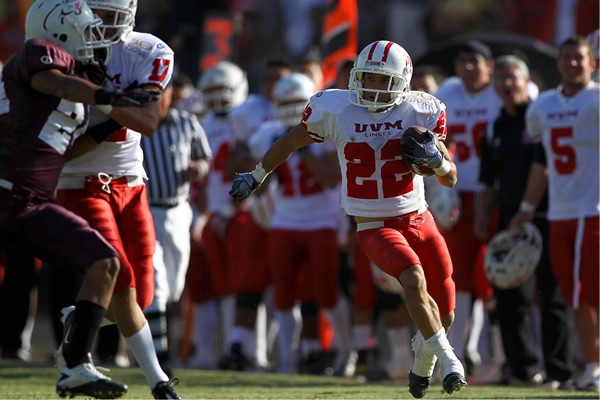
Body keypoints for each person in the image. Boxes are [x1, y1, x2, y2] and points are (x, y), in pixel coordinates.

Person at [229, 40, 467, 398]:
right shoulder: (337, 109)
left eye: (380, 80)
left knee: (445, 306)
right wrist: (255, 176)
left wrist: (437, 162)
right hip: (374, 224)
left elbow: (450, 177)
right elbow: (292, 141)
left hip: (418, 216)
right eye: (366, 78)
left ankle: (422, 364)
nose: (371, 87)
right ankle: (450, 363)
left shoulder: (421, 110)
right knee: (413, 277)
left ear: (402, 81)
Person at [0, 0, 157, 397]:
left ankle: (75, 366)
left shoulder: (73, 71)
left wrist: (113, 115)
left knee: (105, 264)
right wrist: (110, 97)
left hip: (29, 201)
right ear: (59, 30)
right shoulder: (41, 54)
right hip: (9, 194)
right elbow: (57, 84)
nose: (94, 40)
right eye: (87, 31)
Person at [53, 0, 180, 398]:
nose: (102, 22)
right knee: (117, 274)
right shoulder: (59, 51)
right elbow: (62, 149)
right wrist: (102, 102)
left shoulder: (148, 51)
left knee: (139, 297)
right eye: (97, 12)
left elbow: (147, 121)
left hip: (131, 181)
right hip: (79, 181)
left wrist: (103, 97)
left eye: (111, 14)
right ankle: (159, 382)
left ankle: (81, 320)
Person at [478, 55, 574, 388]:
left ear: (526, 79)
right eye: (500, 79)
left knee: (554, 296)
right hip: (510, 218)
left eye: (512, 78)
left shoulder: (543, 113)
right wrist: (481, 215)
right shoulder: (495, 125)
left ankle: (560, 370)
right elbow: (488, 179)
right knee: (510, 294)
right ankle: (523, 369)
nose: (507, 84)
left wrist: (530, 207)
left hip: (551, 213)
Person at [511, 35, 599, 393]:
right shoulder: (542, 106)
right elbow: (541, 162)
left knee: (588, 293)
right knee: (573, 294)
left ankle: (593, 364)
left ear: (593, 63)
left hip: (592, 210)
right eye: (566, 57)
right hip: (561, 212)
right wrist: (527, 208)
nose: (572, 63)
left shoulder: (596, 99)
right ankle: (591, 365)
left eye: (579, 57)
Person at [433, 40, 501, 374]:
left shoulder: (502, 90)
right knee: (457, 278)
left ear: (490, 65)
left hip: (494, 193)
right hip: (458, 193)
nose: (468, 68)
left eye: (475, 61)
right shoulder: (449, 93)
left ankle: (499, 356)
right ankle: (458, 352)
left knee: (496, 276)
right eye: (462, 62)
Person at [141, 77, 212, 376]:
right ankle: (160, 356)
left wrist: (199, 168)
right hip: (147, 209)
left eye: (160, 94)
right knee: (155, 282)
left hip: (179, 210)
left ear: (170, 95)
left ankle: (166, 342)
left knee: (174, 287)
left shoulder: (187, 122)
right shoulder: (136, 122)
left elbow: (204, 156)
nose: (156, 101)